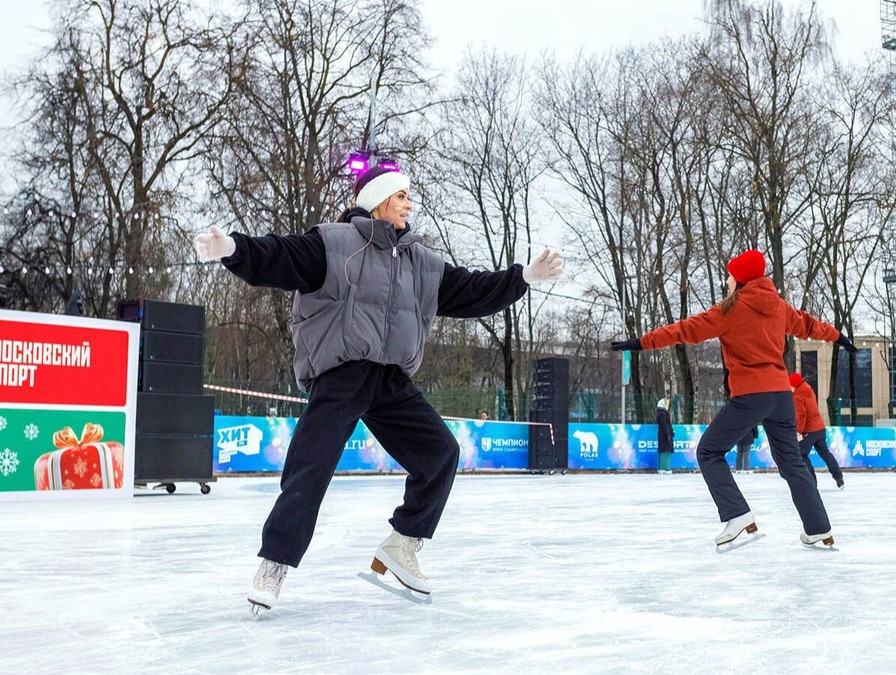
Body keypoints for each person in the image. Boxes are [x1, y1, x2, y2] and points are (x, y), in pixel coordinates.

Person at [192, 166, 564, 614]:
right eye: (402, 196)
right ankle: (274, 564)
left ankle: (402, 546)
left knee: (441, 453)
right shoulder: (335, 245)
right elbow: (280, 256)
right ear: (379, 201)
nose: (409, 204)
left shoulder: (420, 262)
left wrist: (522, 276)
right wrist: (232, 248)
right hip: (341, 374)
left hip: (389, 379)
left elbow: (470, 289)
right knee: (310, 467)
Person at [611, 250, 857, 549]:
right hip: (781, 396)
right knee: (792, 463)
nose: (727, 281)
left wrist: (640, 343)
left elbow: (685, 330)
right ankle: (819, 528)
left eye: (730, 275)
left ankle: (737, 514)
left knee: (709, 452)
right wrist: (838, 337)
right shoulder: (778, 307)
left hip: (751, 394)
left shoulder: (732, 309)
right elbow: (808, 324)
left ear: (740, 279)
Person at [788, 373, 844, 489]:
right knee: (825, 453)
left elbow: (802, 416)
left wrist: (798, 432)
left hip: (810, 430)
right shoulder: (809, 390)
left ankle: (812, 482)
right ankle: (839, 477)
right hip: (820, 428)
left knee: (801, 455)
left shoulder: (797, 397)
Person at [655, 397, 675, 474]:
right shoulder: (663, 414)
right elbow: (664, 425)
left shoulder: (661, 413)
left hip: (663, 435)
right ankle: (665, 468)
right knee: (666, 450)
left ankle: (661, 468)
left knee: (663, 450)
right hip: (665, 435)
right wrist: (668, 434)